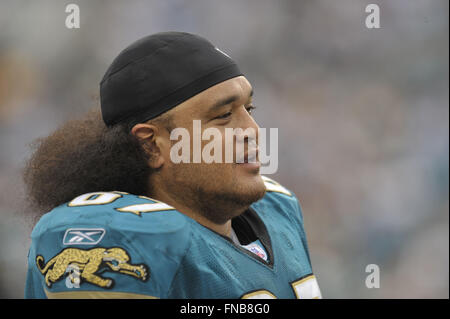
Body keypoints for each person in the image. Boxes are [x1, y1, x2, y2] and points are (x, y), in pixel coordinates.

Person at [23, 32, 321, 299]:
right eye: (223, 116)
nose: (253, 129)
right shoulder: (125, 234)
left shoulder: (278, 208)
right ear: (151, 145)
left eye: (249, 109)